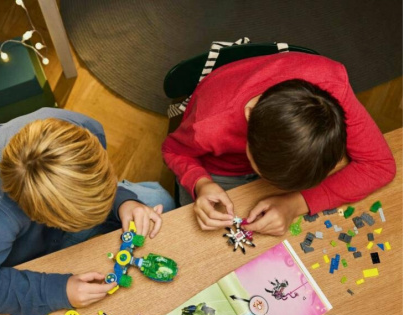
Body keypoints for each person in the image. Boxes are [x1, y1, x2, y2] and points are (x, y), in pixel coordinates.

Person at [0, 108, 175, 315]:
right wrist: (58, 291)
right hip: (17, 248)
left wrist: (122, 201)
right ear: (41, 217)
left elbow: (92, 184)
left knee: (161, 201)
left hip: (54, 212)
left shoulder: (81, 129)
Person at [162, 52, 396, 235]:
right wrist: (201, 183)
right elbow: (173, 150)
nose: (266, 184)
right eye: (261, 171)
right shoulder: (208, 126)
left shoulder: (332, 86)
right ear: (249, 115)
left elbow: (379, 166)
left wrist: (295, 203)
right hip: (218, 169)